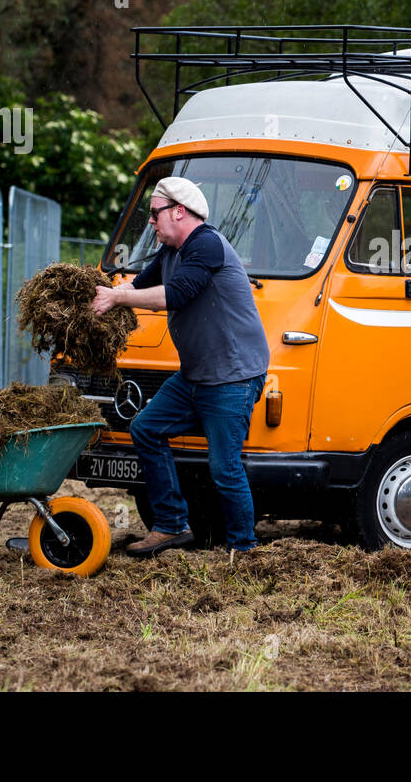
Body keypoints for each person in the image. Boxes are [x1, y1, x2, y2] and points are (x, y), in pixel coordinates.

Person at [91, 177, 270, 557]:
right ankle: (171, 525)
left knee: (224, 468)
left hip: (232, 379)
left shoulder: (205, 244)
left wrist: (119, 297)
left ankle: (246, 552)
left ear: (179, 211)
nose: (150, 222)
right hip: (196, 377)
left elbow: (175, 295)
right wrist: (98, 295)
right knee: (146, 429)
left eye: (154, 214)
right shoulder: (170, 251)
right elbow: (137, 286)